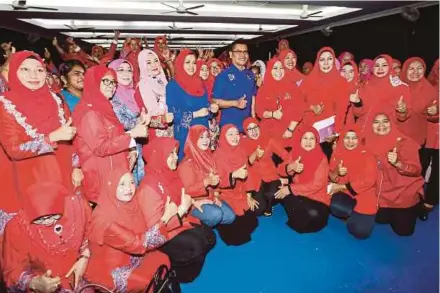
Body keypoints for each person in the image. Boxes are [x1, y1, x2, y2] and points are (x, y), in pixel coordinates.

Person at [0, 51, 80, 215]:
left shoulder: (56, 98)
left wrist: (76, 166)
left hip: (64, 172)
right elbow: (14, 149)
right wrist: (52, 137)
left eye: (39, 70)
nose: (34, 75)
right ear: (14, 72)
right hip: (32, 177)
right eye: (25, 70)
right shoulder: (5, 104)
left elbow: (71, 135)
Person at [139, 138, 216, 283]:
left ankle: (186, 268)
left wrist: (192, 201)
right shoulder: (149, 186)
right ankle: (176, 271)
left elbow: (182, 196)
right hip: (163, 236)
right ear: (159, 156)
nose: (176, 157)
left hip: (179, 222)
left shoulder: (169, 173)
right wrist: (181, 211)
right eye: (171, 154)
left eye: (175, 153)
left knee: (210, 238)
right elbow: (154, 231)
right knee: (197, 246)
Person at [86, 167, 176, 292]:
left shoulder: (131, 202)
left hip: (131, 255)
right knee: (147, 281)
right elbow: (138, 243)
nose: (129, 188)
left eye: (132, 182)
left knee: (163, 259)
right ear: (110, 186)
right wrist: (166, 217)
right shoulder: (104, 221)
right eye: (122, 184)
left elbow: (145, 230)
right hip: (110, 269)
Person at [72, 65, 148, 203]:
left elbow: (114, 136)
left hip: (113, 173)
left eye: (113, 82)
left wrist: (129, 150)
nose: (111, 86)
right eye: (105, 81)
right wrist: (132, 135)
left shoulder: (104, 107)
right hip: (102, 177)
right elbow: (101, 147)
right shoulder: (89, 112)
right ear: (93, 82)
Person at [3, 182, 90, 292]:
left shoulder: (78, 208)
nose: (48, 221)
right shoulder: (18, 228)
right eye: (41, 220)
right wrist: (34, 283)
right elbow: (12, 271)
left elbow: (95, 237)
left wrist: (85, 257)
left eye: (53, 217)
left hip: (83, 278)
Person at [364, 112, 424, 236]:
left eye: (385, 121)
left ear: (392, 123)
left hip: (402, 195)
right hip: (380, 195)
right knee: (379, 219)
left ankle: (417, 208)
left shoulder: (404, 143)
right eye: (376, 122)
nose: (381, 125)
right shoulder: (366, 142)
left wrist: (399, 164)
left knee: (404, 231)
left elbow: (416, 170)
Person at [214, 124, 263, 246]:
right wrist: (233, 175)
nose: (235, 137)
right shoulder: (217, 155)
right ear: (223, 137)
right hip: (225, 196)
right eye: (230, 134)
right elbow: (216, 182)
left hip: (240, 193)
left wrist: (249, 196)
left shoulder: (241, 150)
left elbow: (248, 174)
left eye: (236, 134)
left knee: (253, 220)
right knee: (236, 236)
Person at [275, 127, 330, 233]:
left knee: (314, 214)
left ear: (316, 141)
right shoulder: (295, 152)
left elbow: (316, 185)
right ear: (300, 140)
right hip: (298, 192)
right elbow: (280, 170)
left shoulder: (322, 158)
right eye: (305, 138)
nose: (308, 142)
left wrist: (290, 189)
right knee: (277, 190)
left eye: (312, 139)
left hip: (317, 197)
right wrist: (290, 167)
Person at [179, 125, 236, 227]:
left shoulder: (209, 156)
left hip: (210, 197)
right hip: (193, 203)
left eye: (207, 136)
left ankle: (209, 218)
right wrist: (206, 182)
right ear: (193, 139)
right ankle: (196, 224)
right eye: (201, 137)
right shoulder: (186, 164)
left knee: (230, 216)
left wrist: (216, 195)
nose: (206, 140)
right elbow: (186, 191)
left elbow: (216, 180)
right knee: (216, 214)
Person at [166, 49, 218, 160]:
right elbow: (173, 116)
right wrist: (195, 114)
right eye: (187, 62)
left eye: (194, 62)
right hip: (186, 134)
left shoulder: (200, 83)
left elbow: (205, 109)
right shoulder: (173, 86)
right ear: (180, 63)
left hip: (203, 132)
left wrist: (211, 109)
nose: (192, 66)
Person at [328, 128, 378, 239]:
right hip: (344, 192)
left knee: (360, 232)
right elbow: (331, 175)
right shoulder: (337, 152)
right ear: (342, 139)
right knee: (330, 203)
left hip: (364, 194)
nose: (350, 141)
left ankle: (352, 216)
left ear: (359, 139)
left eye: (354, 138)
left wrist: (342, 186)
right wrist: (337, 171)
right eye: (347, 138)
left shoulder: (368, 155)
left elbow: (370, 180)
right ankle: (347, 214)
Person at [301, 47, 350, 159]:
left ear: (334, 61)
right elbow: (297, 104)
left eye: (329, 59)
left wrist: (336, 133)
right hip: (306, 132)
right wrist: (311, 107)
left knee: (323, 168)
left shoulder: (340, 82)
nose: (326, 63)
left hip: (327, 135)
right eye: (322, 59)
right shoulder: (308, 81)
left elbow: (341, 110)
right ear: (317, 61)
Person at [351, 54, 411, 134]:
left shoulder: (401, 87)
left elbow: (404, 117)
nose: (380, 68)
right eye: (376, 65)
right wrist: (357, 103)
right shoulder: (364, 84)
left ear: (390, 66)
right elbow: (358, 114)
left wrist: (403, 111)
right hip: (365, 130)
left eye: (384, 65)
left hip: (387, 131)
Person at [108, 59, 145, 185]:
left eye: (129, 70)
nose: (126, 73)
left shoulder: (134, 93)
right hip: (122, 145)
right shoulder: (112, 95)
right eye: (121, 70)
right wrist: (141, 121)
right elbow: (120, 121)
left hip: (139, 143)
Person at [242, 118, 289, 216]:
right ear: (246, 132)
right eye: (249, 129)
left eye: (255, 127)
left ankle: (270, 201)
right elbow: (247, 163)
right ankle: (265, 200)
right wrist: (255, 153)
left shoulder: (269, 140)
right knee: (258, 210)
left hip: (271, 175)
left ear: (259, 127)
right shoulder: (243, 144)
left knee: (271, 194)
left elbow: (286, 156)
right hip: (254, 180)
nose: (253, 131)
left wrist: (284, 174)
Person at [255, 57, 305, 145]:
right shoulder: (263, 89)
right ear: (269, 70)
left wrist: (290, 129)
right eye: (275, 68)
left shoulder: (292, 86)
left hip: (289, 134)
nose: (279, 71)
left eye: (281, 68)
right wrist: (273, 114)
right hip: (269, 136)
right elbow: (259, 111)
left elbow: (300, 108)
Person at [212, 40, 256, 132]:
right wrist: (235, 103)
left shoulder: (250, 75)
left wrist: (254, 120)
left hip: (248, 128)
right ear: (231, 54)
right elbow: (214, 101)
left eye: (245, 52)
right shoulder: (223, 76)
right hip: (229, 129)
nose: (243, 55)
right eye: (238, 52)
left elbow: (253, 100)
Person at [135, 49, 174, 140]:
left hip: (171, 133)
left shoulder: (163, 81)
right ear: (143, 65)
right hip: (155, 136)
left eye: (156, 60)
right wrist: (162, 119)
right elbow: (143, 118)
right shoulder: (142, 86)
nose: (154, 64)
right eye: (148, 62)